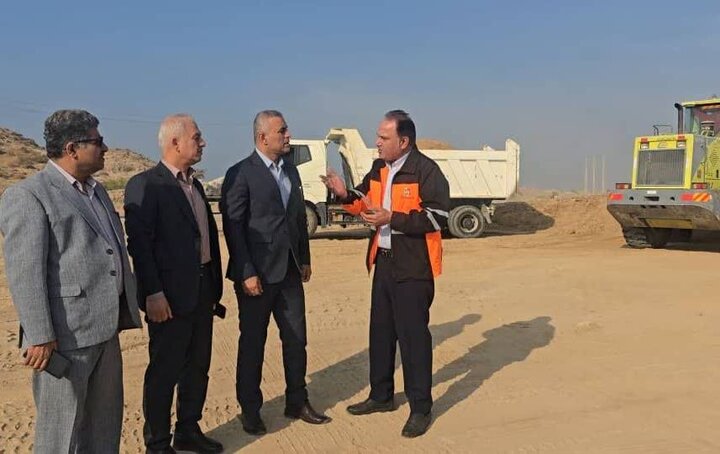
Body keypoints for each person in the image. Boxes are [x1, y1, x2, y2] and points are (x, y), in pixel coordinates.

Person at [0, 109, 142, 452]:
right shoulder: (29, 195)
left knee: (103, 427)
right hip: (65, 338)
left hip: (105, 330)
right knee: (60, 434)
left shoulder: (97, 191)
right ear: (72, 148)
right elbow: (25, 272)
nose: (105, 147)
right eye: (97, 141)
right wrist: (40, 336)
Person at [322, 109, 450, 438]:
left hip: (414, 266)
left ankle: (420, 408)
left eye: (383, 137)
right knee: (380, 333)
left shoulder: (426, 171)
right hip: (384, 261)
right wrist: (343, 194)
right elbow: (363, 200)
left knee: (413, 339)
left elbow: (437, 218)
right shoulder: (380, 167)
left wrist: (393, 218)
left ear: (403, 141)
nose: (377, 142)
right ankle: (381, 396)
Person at [220, 110, 331, 435]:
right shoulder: (240, 174)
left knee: (296, 340)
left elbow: (296, 218)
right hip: (257, 276)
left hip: (290, 272)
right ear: (262, 137)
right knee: (253, 343)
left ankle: (297, 400)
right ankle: (250, 410)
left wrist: (305, 257)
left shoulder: (290, 170)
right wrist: (246, 271)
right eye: (282, 131)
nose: (288, 135)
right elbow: (234, 228)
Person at [124, 114, 225, 454]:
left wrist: (213, 288)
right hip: (167, 297)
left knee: (197, 367)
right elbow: (140, 245)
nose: (203, 142)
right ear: (175, 142)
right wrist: (153, 292)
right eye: (197, 137)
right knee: (164, 372)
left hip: (202, 293)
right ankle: (157, 443)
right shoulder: (146, 185)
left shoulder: (195, 185)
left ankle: (188, 430)